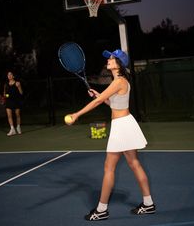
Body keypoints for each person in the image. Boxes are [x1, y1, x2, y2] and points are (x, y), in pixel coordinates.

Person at [65, 49, 155, 221]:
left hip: (122, 127)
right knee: (134, 164)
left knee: (109, 168)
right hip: (126, 123)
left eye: (112, 59)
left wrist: (76, 115)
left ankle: (101, 210)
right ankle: (148, 204)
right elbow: (113, 104)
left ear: (119, 64)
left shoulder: (118, 81)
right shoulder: (120, 82)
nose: (108, 60)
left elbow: (98, 102)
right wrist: (100, 95)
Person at [4, 71, 23, 136]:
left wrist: (19, 86)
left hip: (16, 101)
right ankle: (12, 129)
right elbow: (5, 94)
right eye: (8, 75)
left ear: (13, 76)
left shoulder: (17, 83)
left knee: (17, 114)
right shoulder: (6, 84)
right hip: (9, 101)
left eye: (10, 74)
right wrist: (6, 96)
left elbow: (21, 93)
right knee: (9, 116)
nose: (9, 75)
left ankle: (18, 127)